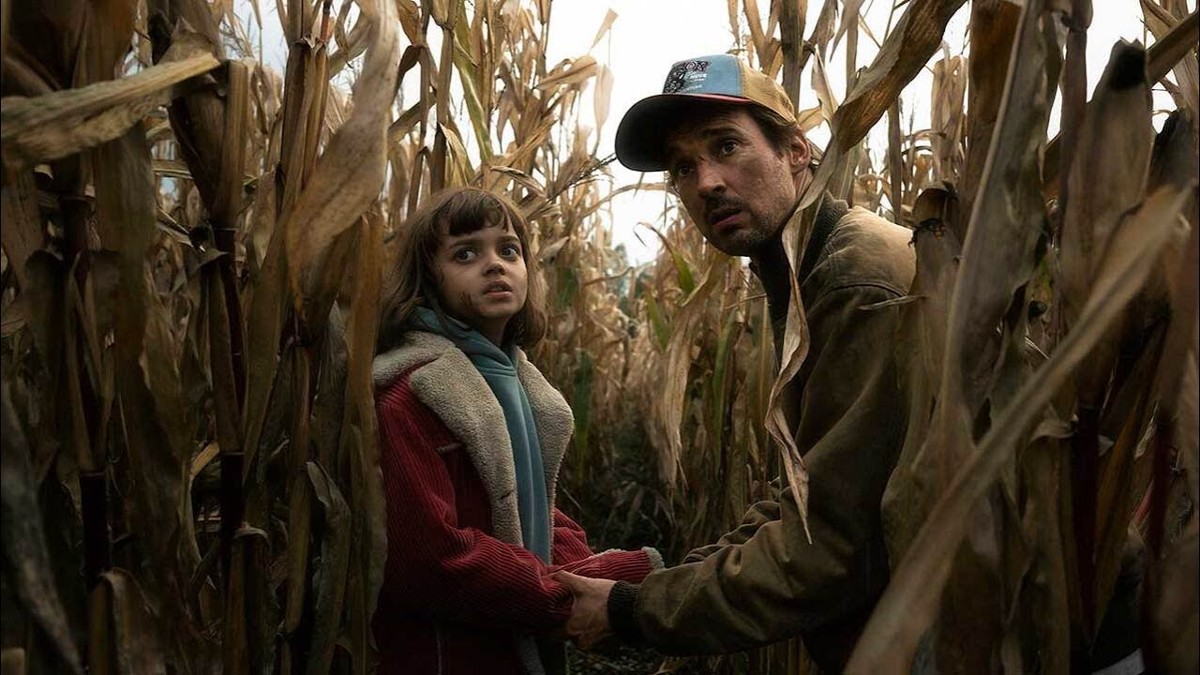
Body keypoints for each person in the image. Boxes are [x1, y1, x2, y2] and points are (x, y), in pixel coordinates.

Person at [551, 53, 917, 672]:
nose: (706, 183)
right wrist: (662, 581)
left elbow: (832, 547)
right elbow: (806, 494)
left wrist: (633, 611)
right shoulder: (802, 279)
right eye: (683, 168)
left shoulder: (856, 280)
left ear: (796, 152)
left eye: (726, 147)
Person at [371, 186, 663, 675]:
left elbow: (530, 503)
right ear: (426, 278)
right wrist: (566, 599)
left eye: (509, 250)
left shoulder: (515, 381)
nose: (494, 264)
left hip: (511, 628)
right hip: (445, 653)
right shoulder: (410, 395)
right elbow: (429, 558)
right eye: (465, 254)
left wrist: (603, 573)